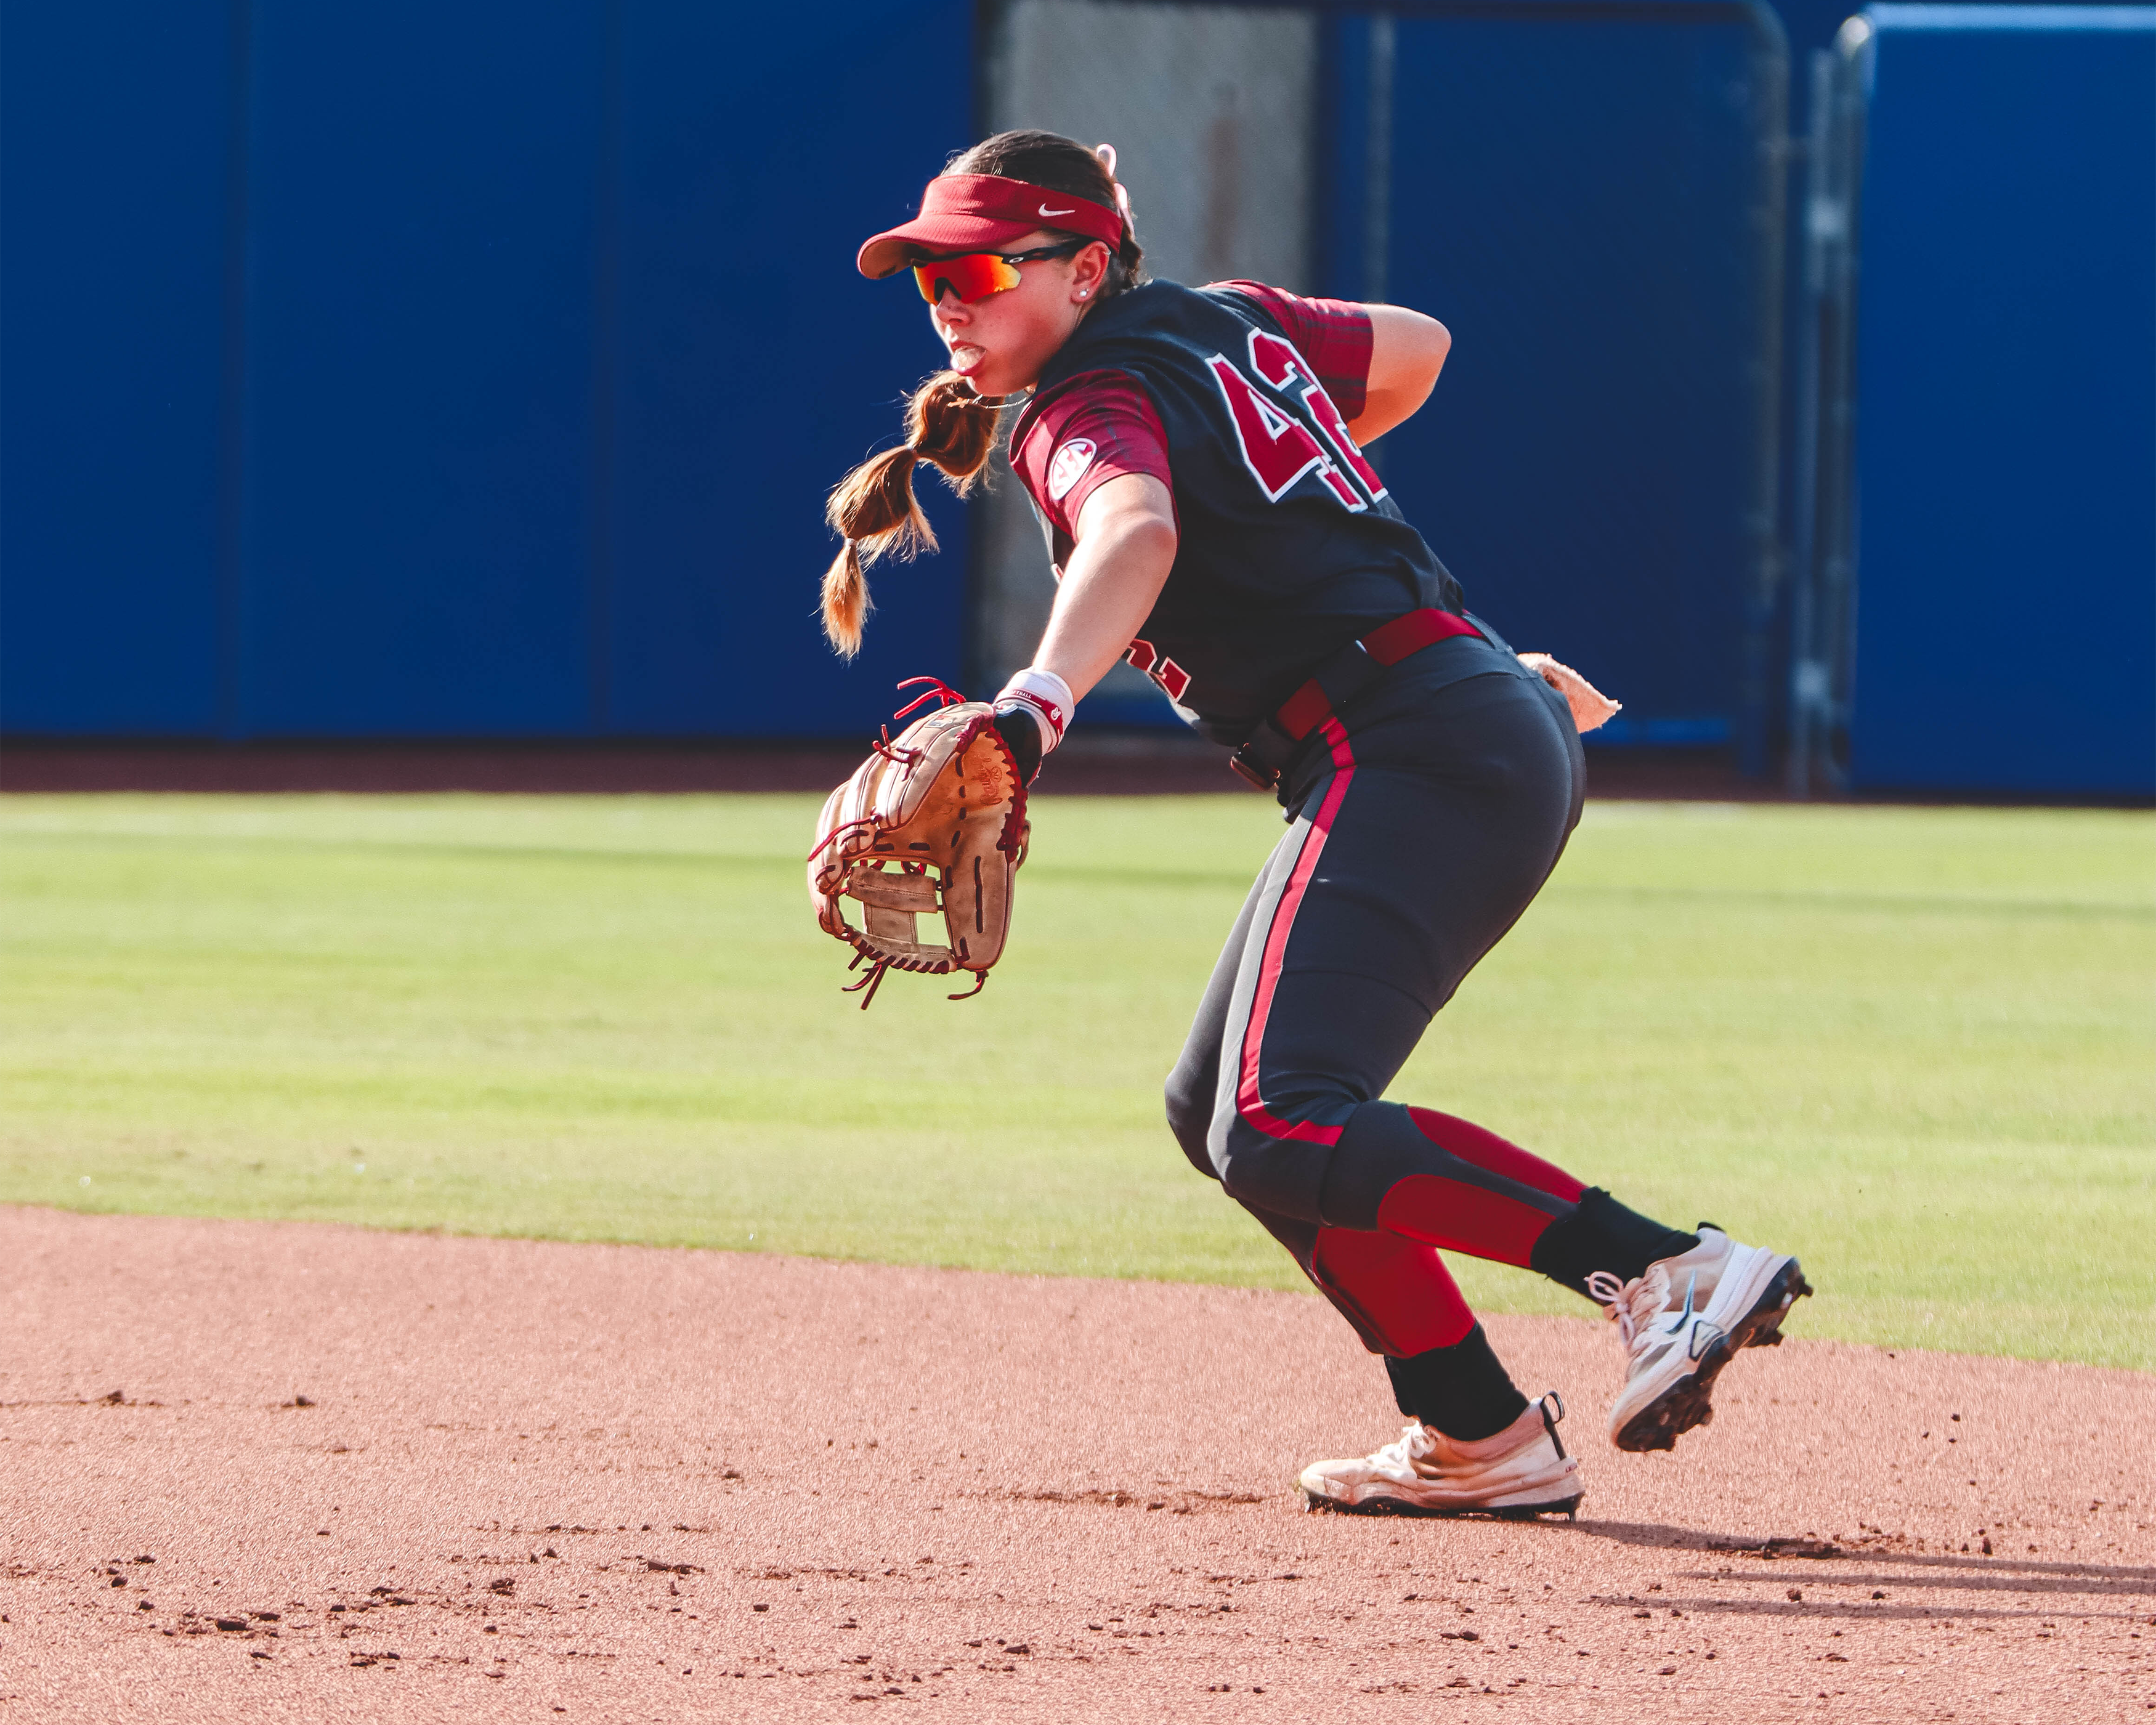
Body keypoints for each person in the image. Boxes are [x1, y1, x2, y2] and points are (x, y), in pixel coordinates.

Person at [819, 129, 1810, 1517]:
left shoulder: (1075, 402)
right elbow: (1416, 349)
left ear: (1086, 266)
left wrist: (1035, 704)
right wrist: (1276, 488)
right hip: (1460, 711)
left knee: (1280, 1114)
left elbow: (1136, 534)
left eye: (981, 265)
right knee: (1215, 1112)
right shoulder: (1228, 321)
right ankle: (1476, 1428)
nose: (949, 300)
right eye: (929, 278)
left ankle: (1660, 1268)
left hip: (1412, 736)